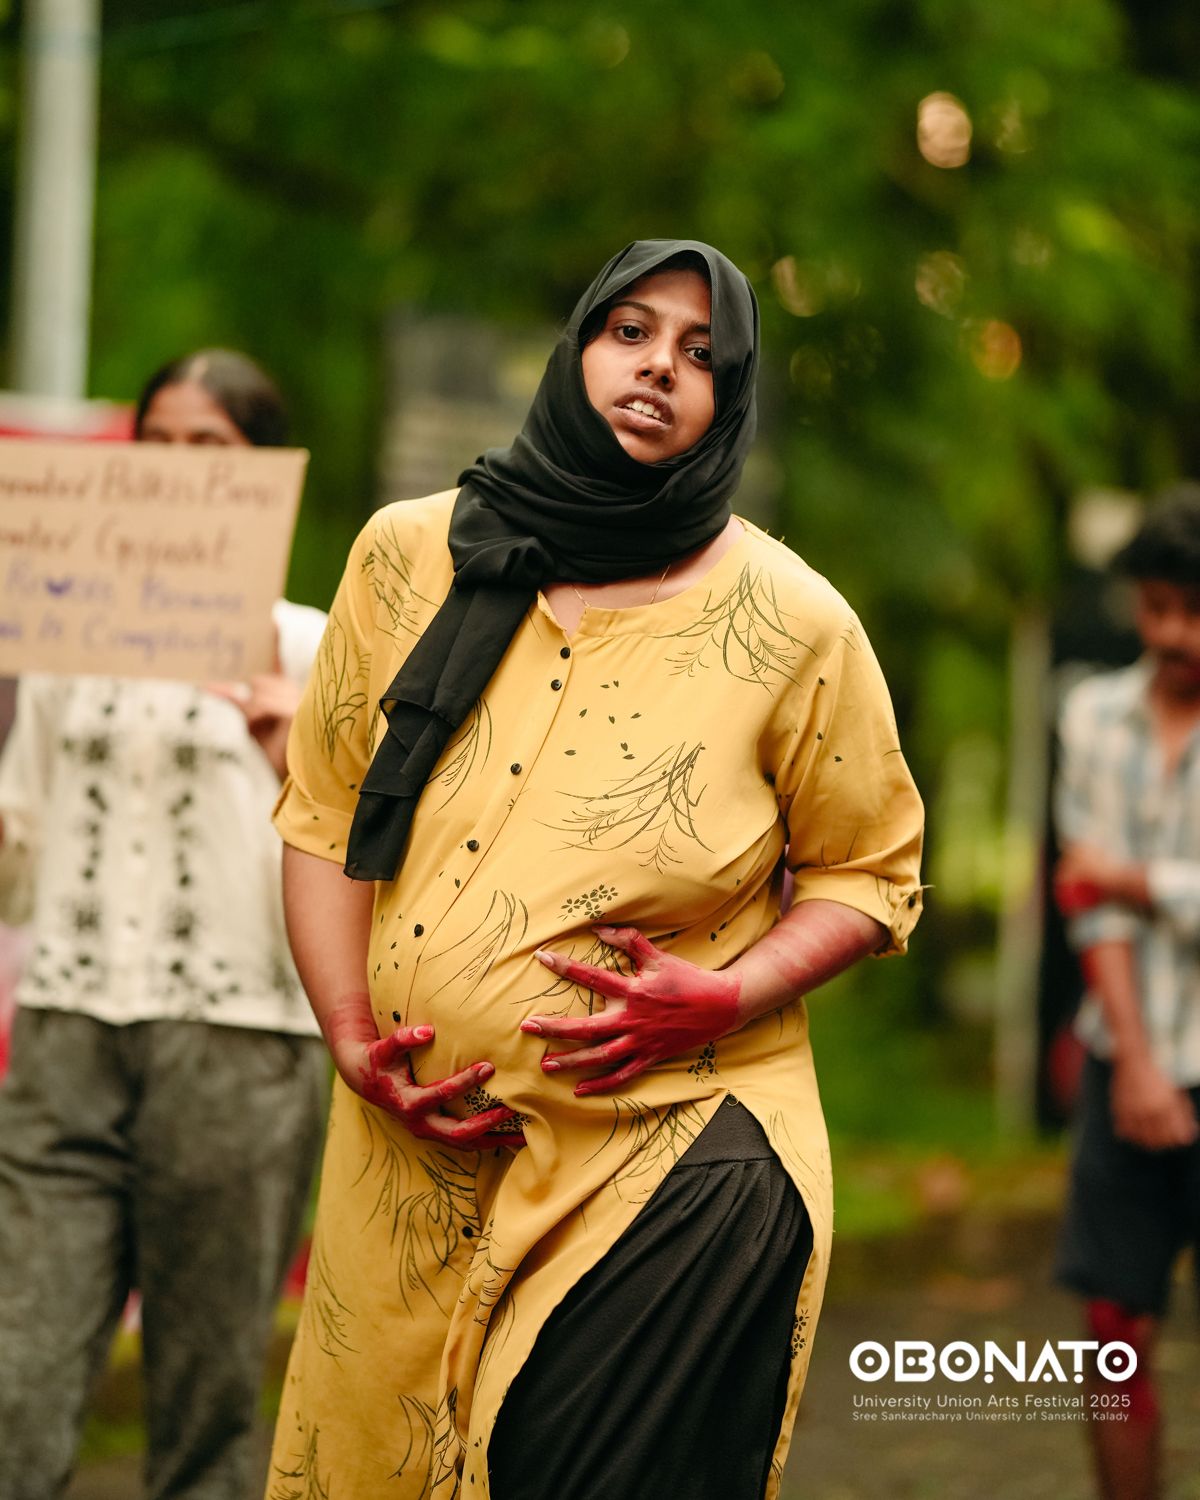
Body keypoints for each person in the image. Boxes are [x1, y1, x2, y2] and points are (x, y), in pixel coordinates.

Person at [268, 240, 924, 1500]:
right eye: (630, 331)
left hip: (665, 1145)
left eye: (700, 355)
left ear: (726, 403)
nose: (657, 370)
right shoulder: (409, 555)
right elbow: (325, 815)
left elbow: (870, 872)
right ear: (577, 350)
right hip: (408, 1153)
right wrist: (351, 1033)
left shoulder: (794, 623)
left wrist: (728, 994)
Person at [0, 350, 328, 1500]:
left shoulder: (315, 645)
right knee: (14, 1386)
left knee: (204, 1403)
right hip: (67, 1037)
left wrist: (299, 752)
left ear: (263, 474)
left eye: (211, 450)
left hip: (239, 1045)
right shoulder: (53, 643)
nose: (180, 472)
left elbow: (372, 871)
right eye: (159, 445)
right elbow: (15, 859)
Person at [1054, 484, 1200, 1500]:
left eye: (1194, 611)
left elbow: (1108, 878)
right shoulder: (1093, 711)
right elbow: (1083, 899)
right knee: (1113, 1336)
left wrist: (1136, 879)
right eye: (1156, 608)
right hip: (1127, 1062)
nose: (1174, 633)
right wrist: (1140, 1068)